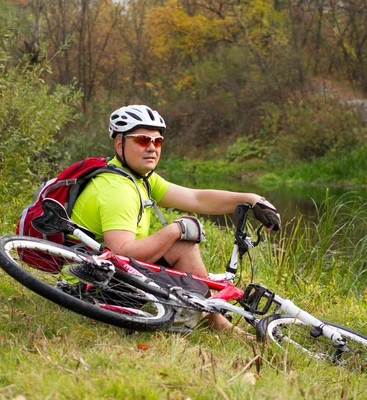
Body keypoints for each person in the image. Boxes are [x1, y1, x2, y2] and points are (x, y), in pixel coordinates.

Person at [70, 105, 281, 331]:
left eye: (157, 141)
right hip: (92, 287)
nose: (151, 148)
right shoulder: (116, 189)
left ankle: (211, 317)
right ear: (119, 144)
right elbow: (120, 253)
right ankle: (217, 323)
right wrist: (175, 230)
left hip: (109, 275)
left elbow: (197, 198)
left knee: (182, 245)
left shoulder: (140, 179)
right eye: (142, 140)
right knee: (183, 245)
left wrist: (251, 199)